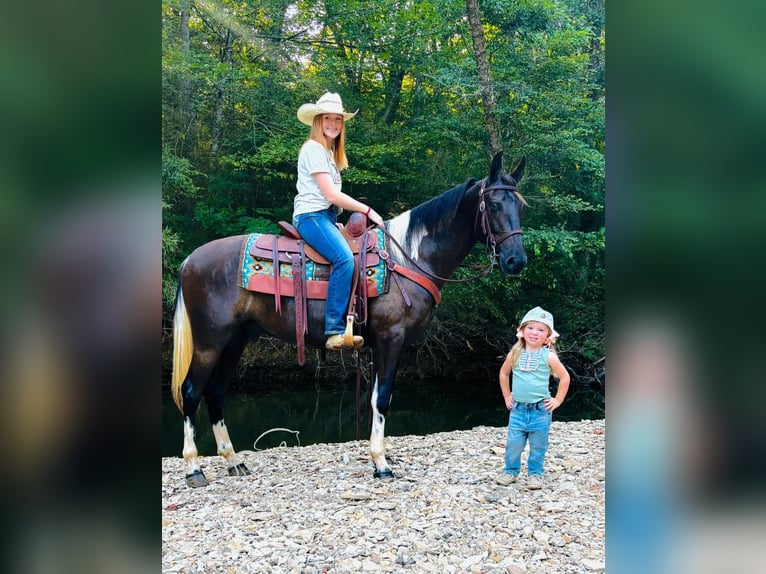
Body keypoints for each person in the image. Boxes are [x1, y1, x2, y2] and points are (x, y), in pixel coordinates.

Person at [293, 92, 384, 350]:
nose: (333, 123)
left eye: (337, 119)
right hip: (310, 216)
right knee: (344, 260)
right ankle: (333, 329)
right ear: (318, 121)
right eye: (327, 119)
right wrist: (368, 211)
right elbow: (331, 194)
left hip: (322, 216)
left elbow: (328, 199)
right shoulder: (313, 148)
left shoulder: (328, 154)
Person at [496, 306, 570, 489]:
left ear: (548, 336)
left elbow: (565, 377)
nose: (534, 333)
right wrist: (507, 395)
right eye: (530, 328)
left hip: (540, 410)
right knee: (513, 444)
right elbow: (504, 374)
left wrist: (558, 400)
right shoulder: (514, 354)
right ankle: (510, 470)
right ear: (522, 331)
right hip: (518, 409)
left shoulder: (549, 357)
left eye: (541, 329)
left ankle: (535, 474)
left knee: (538, 446)